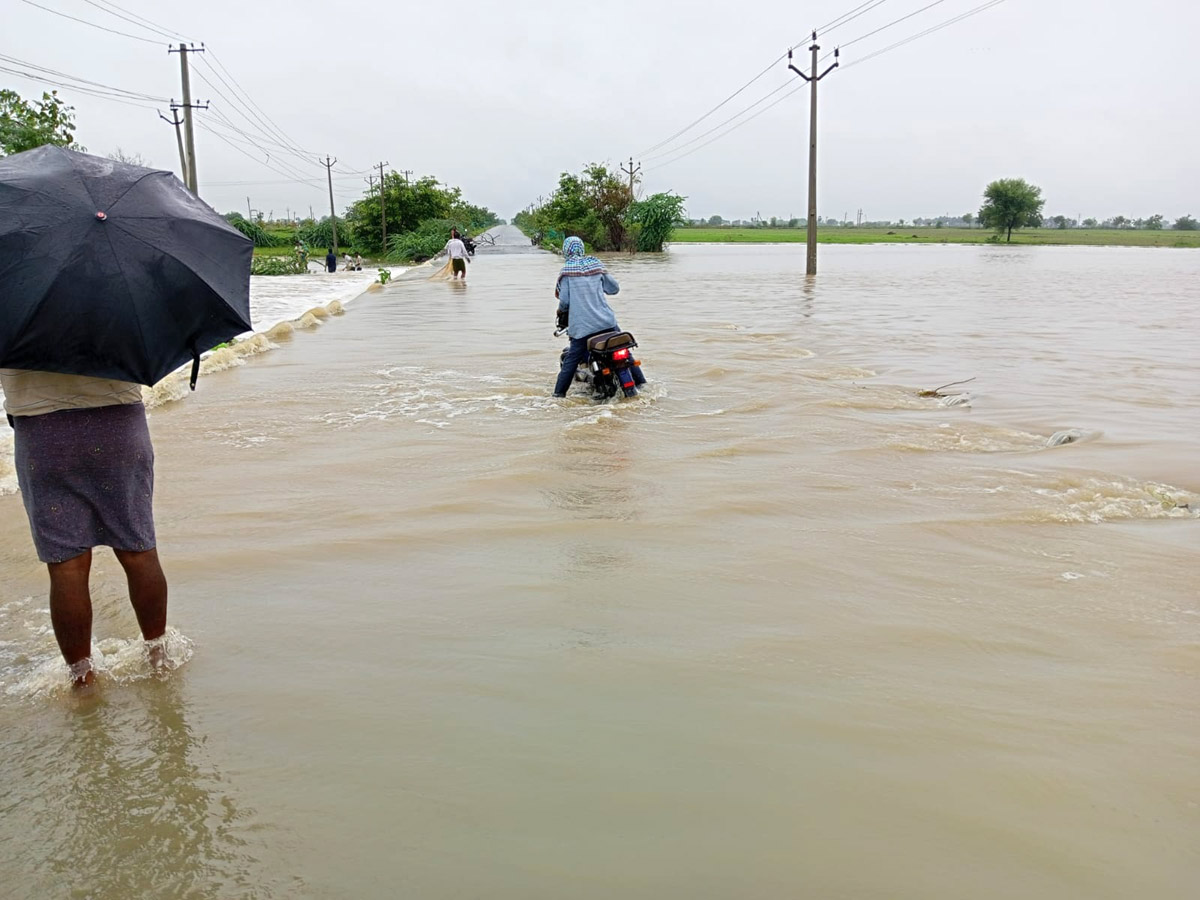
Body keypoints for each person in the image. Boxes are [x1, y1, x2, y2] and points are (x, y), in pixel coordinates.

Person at [1, 369, 168, 687]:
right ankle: (159, 656)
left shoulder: (10, 318)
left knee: (67, 566)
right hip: (119, 425)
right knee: (138, 550)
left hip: (41, 434)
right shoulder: (120, 315)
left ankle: (82, 678)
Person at [553, 235, 644, 397]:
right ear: (582, 249)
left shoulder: (567, 272)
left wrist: (562, 312)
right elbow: (614, 289)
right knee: (625, 353)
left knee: (571, 361)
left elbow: (565, 302)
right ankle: (642, 384)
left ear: (566, 251)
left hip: (583, 330)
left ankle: (557, 396)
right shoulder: (596, 265)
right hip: (608, 324)